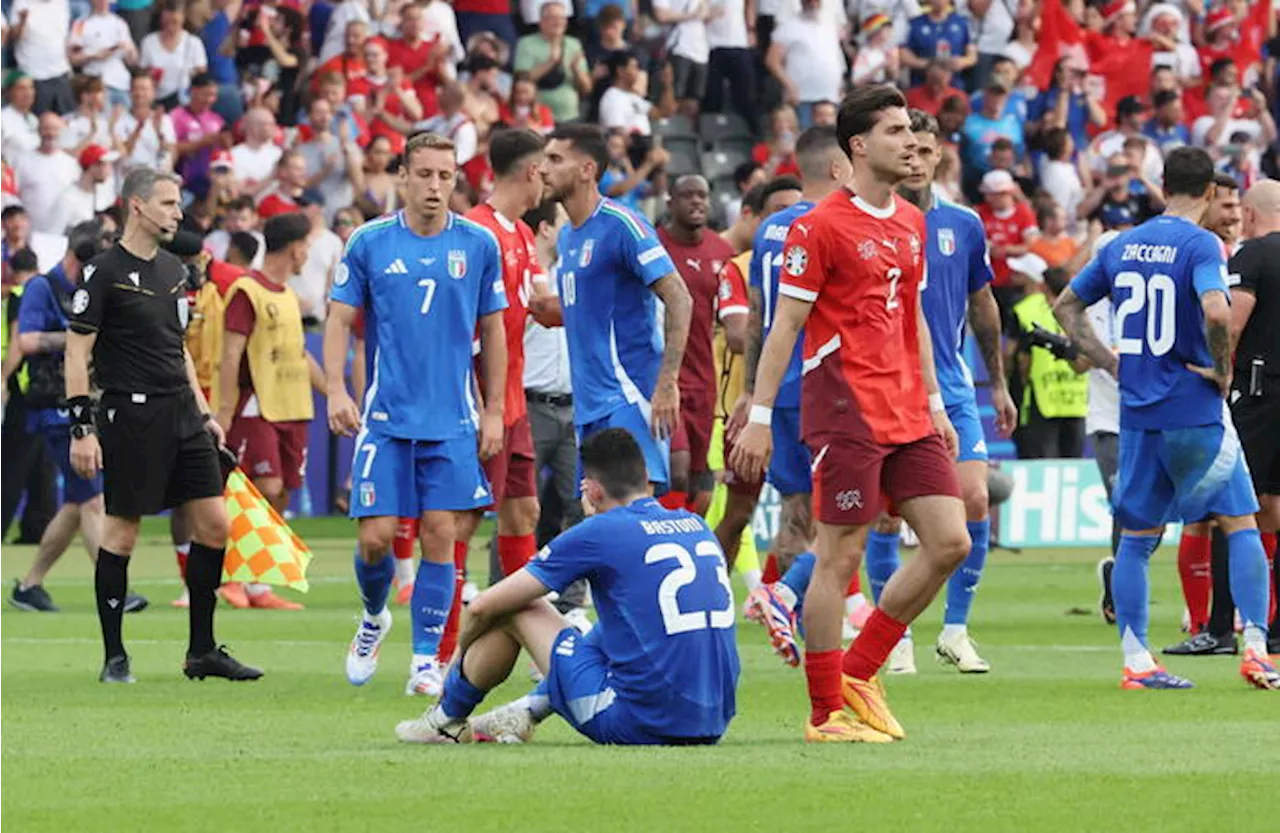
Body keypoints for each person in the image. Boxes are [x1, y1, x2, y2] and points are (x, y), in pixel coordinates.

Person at [731, 85, 971, 743]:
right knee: (839, 554)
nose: (911, 144)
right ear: (859, 146)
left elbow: (914, 316)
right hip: (845, 408)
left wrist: (933, 400)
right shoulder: (820, 225)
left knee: (951, 539)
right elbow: (785, 325)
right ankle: (823, 713)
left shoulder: (912, 221)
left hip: (907, 409)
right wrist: (756, 411)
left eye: (913, 133)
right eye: (896, 131)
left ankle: (861, 671)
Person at [1053, 146, 1280, 691]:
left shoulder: (1122, 244)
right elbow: (1218, 309)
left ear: (1162, 186)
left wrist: (1110, 362)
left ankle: (1137, 662)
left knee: (1136, 538)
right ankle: (1256, 651)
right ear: (1207, 193)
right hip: (1193, 410)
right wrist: (1222, 370)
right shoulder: (1202, 243)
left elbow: (1065, 305)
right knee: (1240, 523)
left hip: (1138, 414)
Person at [393, 428, 739, 746]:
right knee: (623, 620)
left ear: (591, 489)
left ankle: (444, 721)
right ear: (646, 479)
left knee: (518, 604)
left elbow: (484, 605)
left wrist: (455, 665)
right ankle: (525, 712)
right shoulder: (694, 523)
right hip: (714, 719)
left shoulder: (600, 533)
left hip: (640, 723)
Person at [324, 132, 507, 694]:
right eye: (423, 174)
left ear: (456, 180)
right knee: (375, 538)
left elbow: (495, 329)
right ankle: (374, 617)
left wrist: (495, 408)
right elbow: (337, 321)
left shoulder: (478, 245)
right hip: (385, 418)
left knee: (440, 535)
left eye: (445, 176)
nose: (434, 187)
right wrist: (335, 389)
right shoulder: (369, 241)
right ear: (401, 175)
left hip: (451, 421)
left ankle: (425, 660)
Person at [66, 167, 262, 684]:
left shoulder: (175, 270)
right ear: (137, 206)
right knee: (124, 531)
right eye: (169, 203)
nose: (179, 212)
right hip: (129, 414)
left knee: (216, 524)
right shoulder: (102, 271)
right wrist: (81, 427)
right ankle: (114, 656)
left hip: (181, 411)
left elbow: (174, 351)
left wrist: (202, 413)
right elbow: (76, 349)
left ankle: (202, 651)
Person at [859, 109, 1017, 675]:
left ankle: (955, 628)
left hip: (949, 383)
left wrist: (996, 383)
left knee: (974, 497)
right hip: (887, 385)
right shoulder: (874, 222)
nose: (918, 162)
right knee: (884, 516)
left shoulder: (964, 225)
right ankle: (893, 631)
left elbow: (983, 306)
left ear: (939, 158)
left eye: (929, 153)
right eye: (911, 151)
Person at [399, 128, 551, 695]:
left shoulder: (522, 238)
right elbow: (464, 332)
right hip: (479, 407)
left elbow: (535, 311)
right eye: (548, 165)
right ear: (531, 172)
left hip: (513, 404)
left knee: (524, 513)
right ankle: (437, 657)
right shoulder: (476, 235)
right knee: (459, 522)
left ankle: (528, 636)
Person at [735, 126, 852, 665]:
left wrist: (750, 392)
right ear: (837, 168)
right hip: (826, 385)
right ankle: (788, 600)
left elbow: (760, 315)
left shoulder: (769, 231)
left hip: (777, 390)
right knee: (851, 511)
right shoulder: (836, 224)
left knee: (796, 510)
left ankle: (790, 611)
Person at [534, 122, 692, 493]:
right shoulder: (570, 236)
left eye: (555, 159)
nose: (543, 168)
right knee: (596, 517)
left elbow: (680, 297)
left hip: (627, 394)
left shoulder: (622, 225)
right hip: (587, 405)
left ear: (588, 170)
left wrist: (667, 383)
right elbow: (594, 309)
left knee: (631, 512)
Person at [8, 223, 145, 614]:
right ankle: (113, 588)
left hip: (87, 401)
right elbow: (27, 341)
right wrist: (78, 336)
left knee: (76, 502)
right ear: (72, 258)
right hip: (53, 407)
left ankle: (29, 585)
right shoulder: (41, 288)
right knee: (93, 497)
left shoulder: (90, 288)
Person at [214, 212, 325, 611]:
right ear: (294, 247)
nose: (308, 254)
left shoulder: (289, 297)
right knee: (264, 489)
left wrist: (336, 393)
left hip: (293, 405)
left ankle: (257, 585)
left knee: (282, 496)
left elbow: (298, 355)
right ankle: (228, 575)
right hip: (257, 403)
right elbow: (230, 354)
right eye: (307, 246)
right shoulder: (248, 290)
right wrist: (225, 409)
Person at [657, 174, 735, 517]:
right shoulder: (653, 247)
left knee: (699, 485)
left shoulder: (722, 252)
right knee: (676, 469)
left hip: (706, 380)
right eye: (687, 195)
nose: (696, 202)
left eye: (702, 195)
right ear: (670, 203)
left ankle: (683, 543)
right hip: (663, 377)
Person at [1010, 258, 1088, 459]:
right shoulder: (1083, 309)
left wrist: (1019, 382)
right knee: (1073, 466)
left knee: (1042, 465)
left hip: (1041, 399)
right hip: (1076, 401)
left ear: (1043, 286)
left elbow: (1020, 359)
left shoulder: (1027, 310)